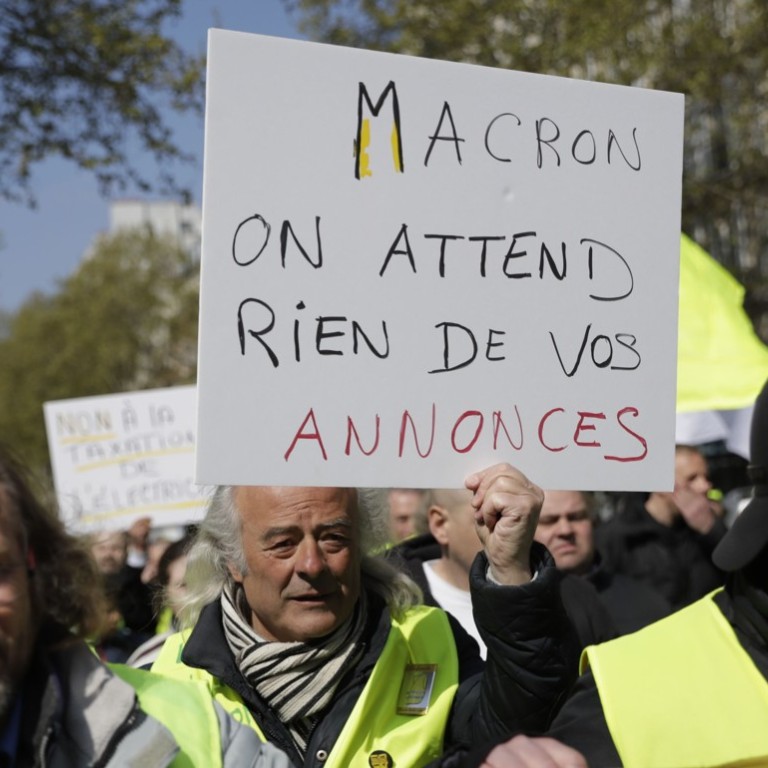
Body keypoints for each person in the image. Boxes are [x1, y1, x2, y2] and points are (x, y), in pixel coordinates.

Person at [152, 463, 579, 767]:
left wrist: (512, 570)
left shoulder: (426, 640)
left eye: (333, 537)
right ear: (232, 560)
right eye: (282, 544)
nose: (313, 565)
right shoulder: (175, 679)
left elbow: (519, 729)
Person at [0, 443, 292, 768]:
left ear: (35, 570)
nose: (308, 563)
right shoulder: (155, 659)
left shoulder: (195, 727)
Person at [390, 487, 615, 655]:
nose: (513, 533)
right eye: (496, 519)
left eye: (522, 519)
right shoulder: (389, 603)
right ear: (440, 525)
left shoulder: (573, 598)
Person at [595, 443, 727, 609]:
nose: (705, 486)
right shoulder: (617, 537)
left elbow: (736, 579)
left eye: (706, 477)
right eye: (692, 479)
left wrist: (712, 530)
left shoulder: (704, 531)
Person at [534, 490, 670, 634]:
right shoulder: (517, 606)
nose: (565, 530)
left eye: (576, 517)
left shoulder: (646, 602)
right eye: (549, 521)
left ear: (594, 522)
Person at [128, 534, 194, 667]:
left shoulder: (243, 646)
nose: (197, 593)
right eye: (183, 585)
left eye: (205, 581)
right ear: (165, 594)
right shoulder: (146, 661)